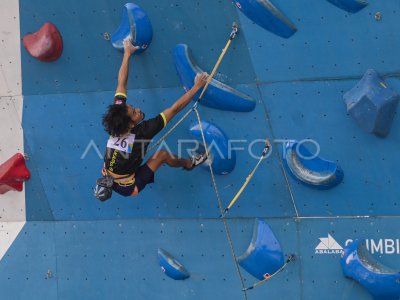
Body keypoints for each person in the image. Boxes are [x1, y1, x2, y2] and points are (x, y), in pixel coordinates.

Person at [100, 39, 208, 198]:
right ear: (130, 125)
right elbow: (174, 109)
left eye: (132, 107)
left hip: (114, 171)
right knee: (161, 155)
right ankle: (190, 164)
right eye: (135, 113)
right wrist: (196, 87)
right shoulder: (143, 133)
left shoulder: (118, 114)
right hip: (129, 186)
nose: (138, 109)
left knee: (133, 159)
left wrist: (127, 52)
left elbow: (121, 84)